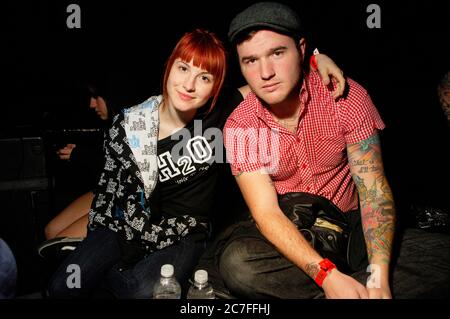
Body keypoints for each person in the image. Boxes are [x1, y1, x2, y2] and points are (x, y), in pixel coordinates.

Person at [47, 28, 345, 298]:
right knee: (61, 287)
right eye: (183, 68)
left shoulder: (217, 113)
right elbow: (110, 184)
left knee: (139, 291)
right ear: (169, 68)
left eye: (204, 77)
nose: (189, 84)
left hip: (187, 232)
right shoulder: (132, 123)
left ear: (215, 88)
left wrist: (317, 61)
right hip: (132, 223)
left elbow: (270, 79)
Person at [220, 2, 450, 299]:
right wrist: (327, 276)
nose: (265, 72)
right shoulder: (241, 125)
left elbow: (374, 191)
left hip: (351, 228)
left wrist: (379, 277)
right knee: (239, 265)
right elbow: (266, 213)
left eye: (277, 53)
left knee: (442, 255)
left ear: (301, 49)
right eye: (250, 61)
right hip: (295, 234)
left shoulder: (346, 97)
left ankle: (357, 289)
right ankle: (347, 289)